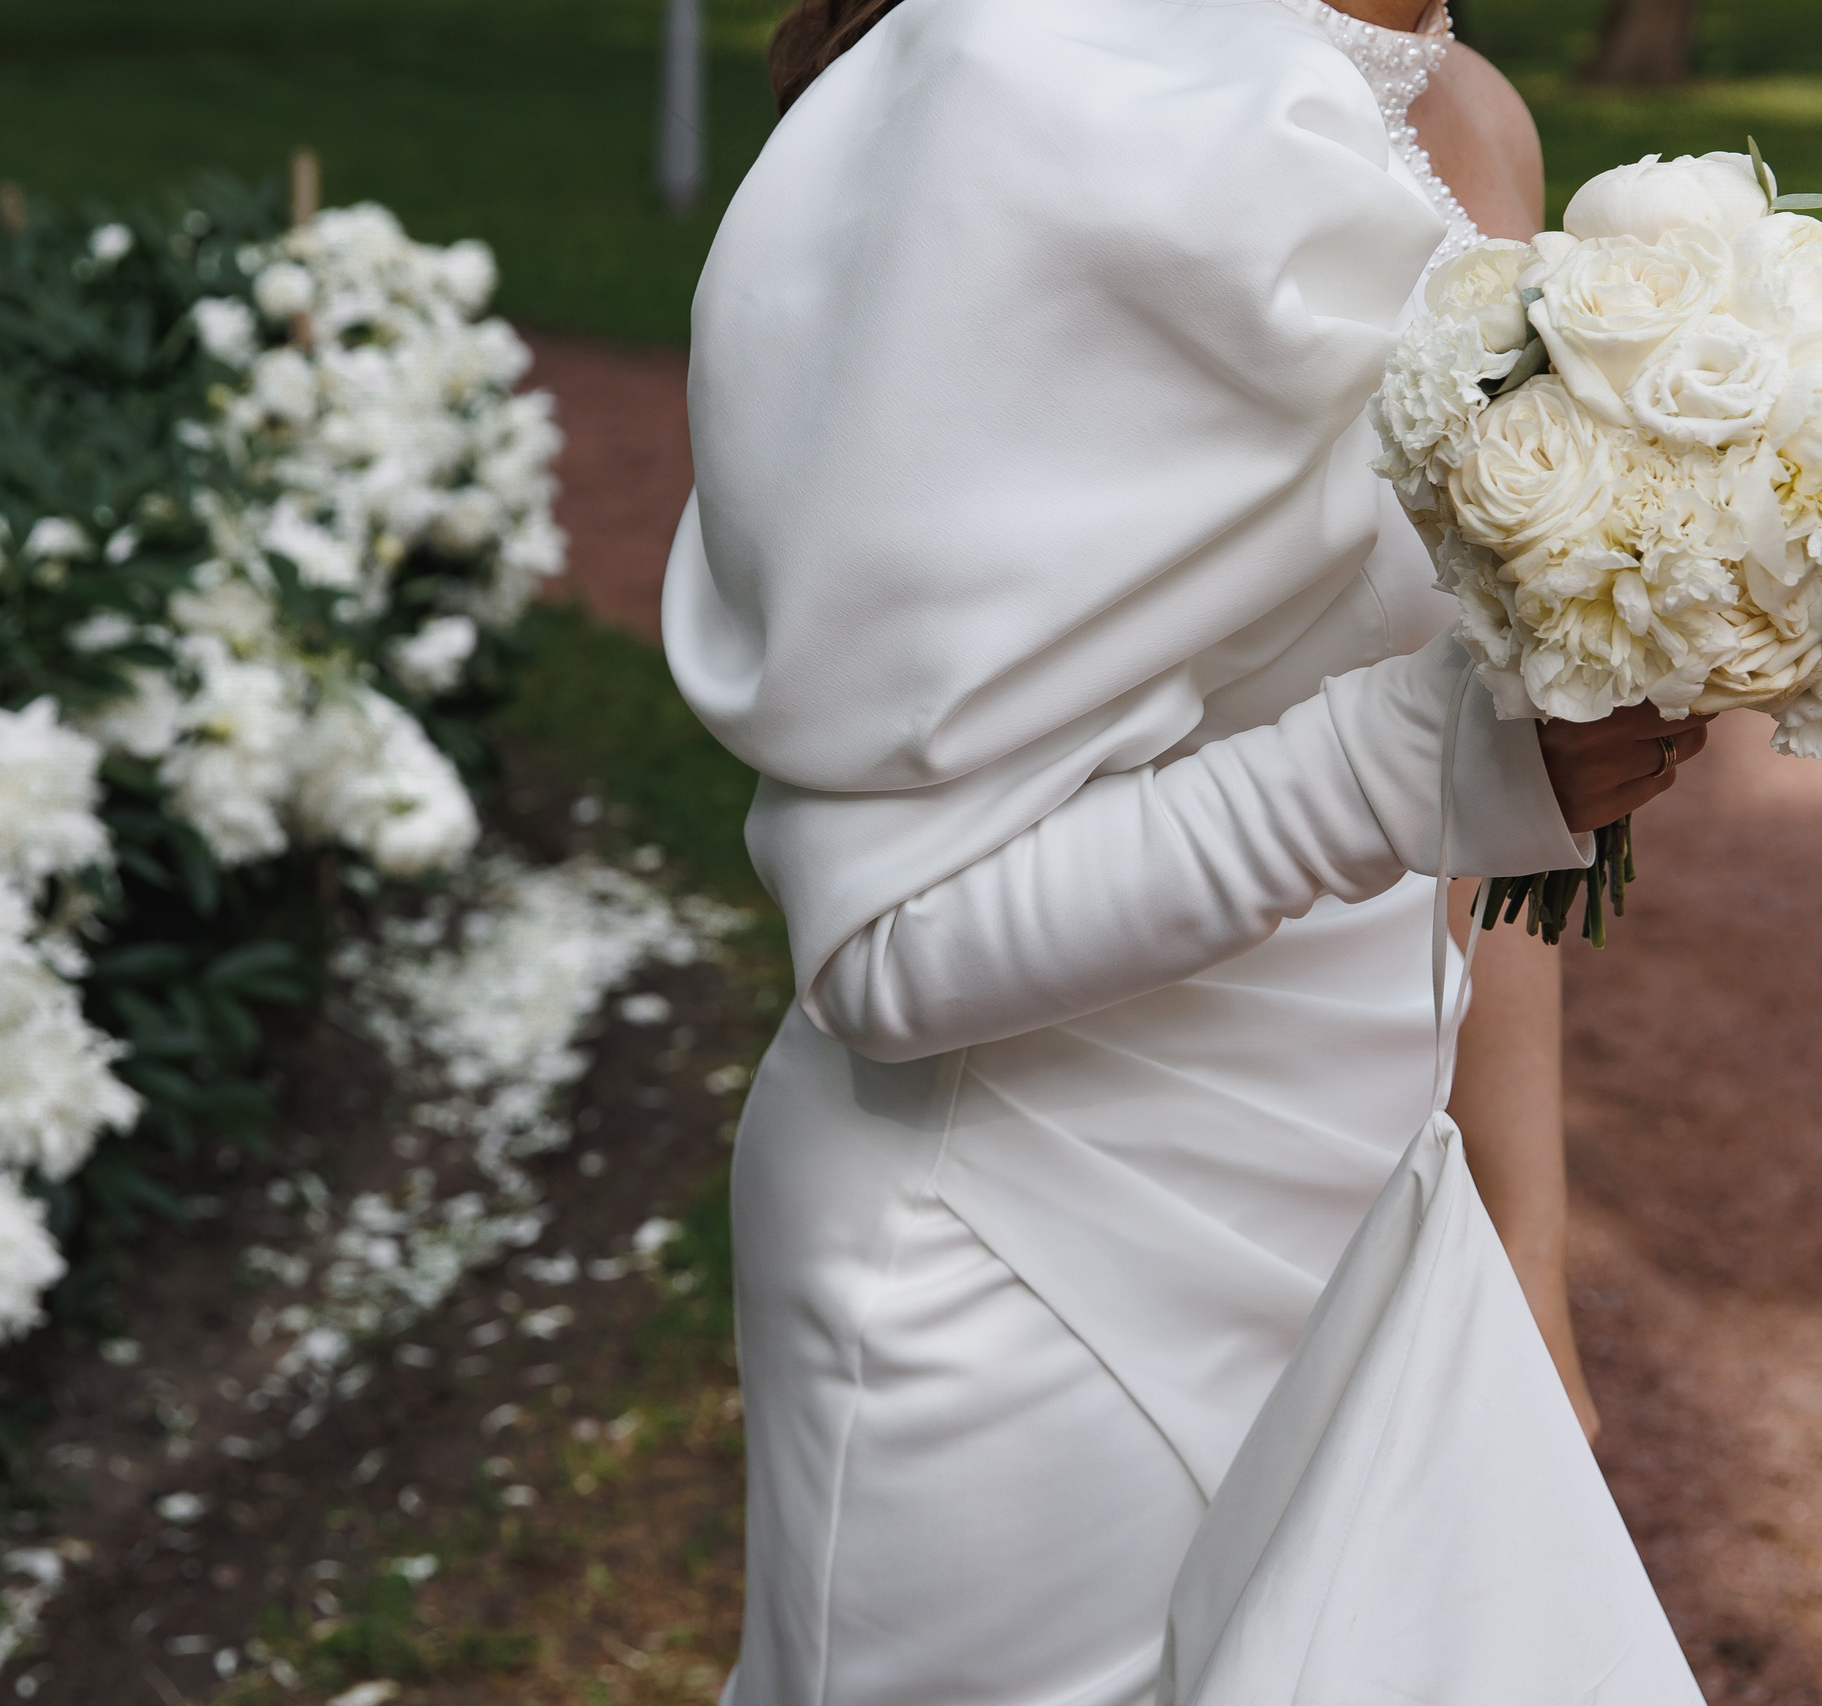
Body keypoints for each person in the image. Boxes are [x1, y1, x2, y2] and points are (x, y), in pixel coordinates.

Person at [663, 0, 1711, 1698]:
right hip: (1024, 1283)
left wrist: (1524, 1267)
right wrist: (1418, 759)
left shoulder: (1477, 121)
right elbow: (889, 944)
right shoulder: (1022, 80)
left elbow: (1489, 822)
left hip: (1384, 1250)